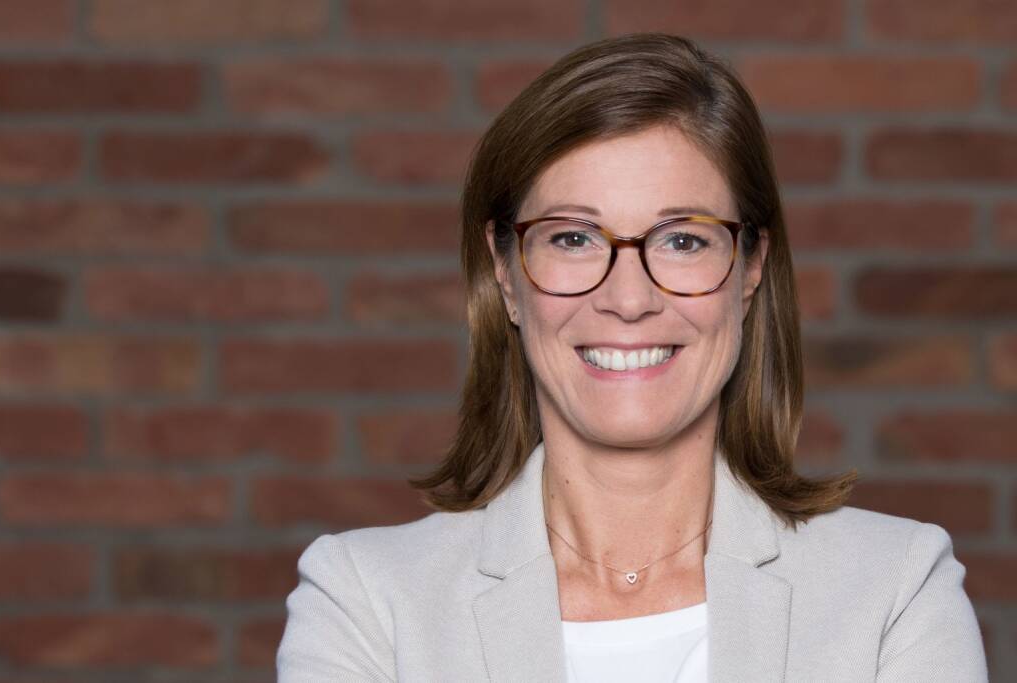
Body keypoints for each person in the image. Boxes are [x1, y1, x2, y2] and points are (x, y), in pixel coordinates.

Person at [276, 33, 988, 682]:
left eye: (682, 240)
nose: (628, 299)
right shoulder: (365, 602)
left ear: (748, 271)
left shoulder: (895, 589)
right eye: (573, 238)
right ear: (506, 275)